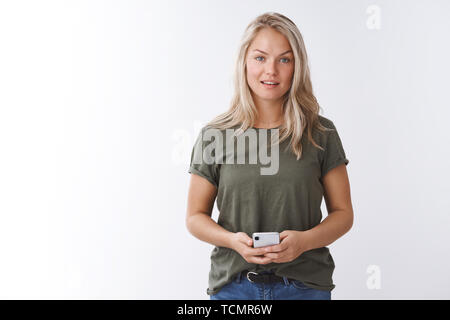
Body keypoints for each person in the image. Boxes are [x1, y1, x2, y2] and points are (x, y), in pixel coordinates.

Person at [186, 12, 353, 300]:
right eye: (260, 58)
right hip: (233, 289)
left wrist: (304, 242)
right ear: (245, 62)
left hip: (305, 288)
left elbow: (343, 214)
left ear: (296, 66)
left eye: (284, 59)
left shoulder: (321, 133)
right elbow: (194, 217)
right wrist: (232, 241)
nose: (271, 71)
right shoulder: (215, 134)